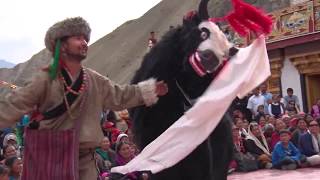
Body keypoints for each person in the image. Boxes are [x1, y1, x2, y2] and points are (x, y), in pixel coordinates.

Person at [0, 17, 168, 180]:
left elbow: (120, 95)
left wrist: (150, 90)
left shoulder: (93, 79)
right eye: (78, 38)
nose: (84, 43)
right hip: (50, 160)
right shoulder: (45, 79)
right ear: (62, 45)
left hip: (84, 162)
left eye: (86, 39)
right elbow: (13, 105)